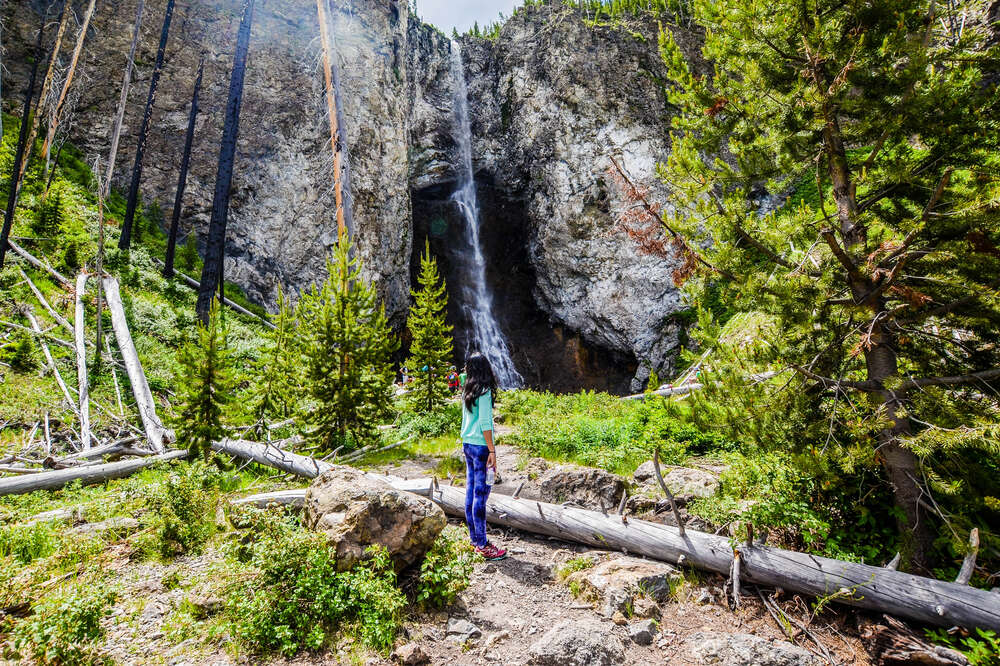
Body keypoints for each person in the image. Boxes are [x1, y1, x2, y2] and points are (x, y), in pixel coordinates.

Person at [461, 352, 507, 560]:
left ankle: (474, 539)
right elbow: (486, 423)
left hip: (468, 444)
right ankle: (482, 544)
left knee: (471, 492)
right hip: (481, 447)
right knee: (480, 496)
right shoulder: (484, 390)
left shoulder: (467, 389)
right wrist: (492, 450)